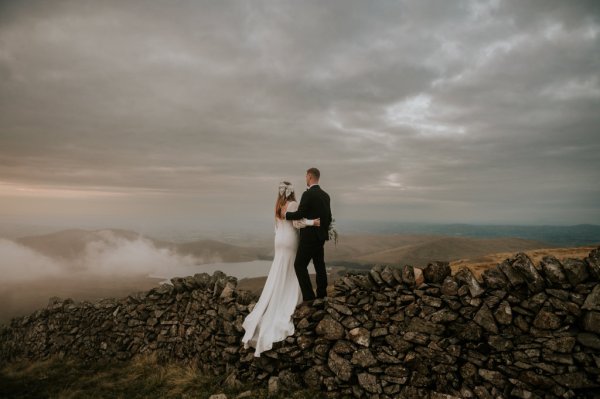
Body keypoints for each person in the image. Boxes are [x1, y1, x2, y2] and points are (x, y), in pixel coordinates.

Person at [241, 181, 318, 357]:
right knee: (292, 270)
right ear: (292, 192)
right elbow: (297, 223)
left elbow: (276, 227)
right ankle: (288, 298)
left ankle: (273, 300)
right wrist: (313, 222)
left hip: (279, 241)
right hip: (290, 240)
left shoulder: (278, 205)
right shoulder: (293, 204)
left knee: (278, 271)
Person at [284, 167, 332, 302]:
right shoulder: (326, 195)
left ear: (310, 177)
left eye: (306, 176)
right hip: (320, 237)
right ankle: (322, 294)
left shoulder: (308, 194)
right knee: (319, 265)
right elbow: (328, 217)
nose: (305, 179)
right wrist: (322, 231)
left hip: (309, 238)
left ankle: (309, 297)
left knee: (299, 265)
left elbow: (300, 214)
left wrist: (286, 215)